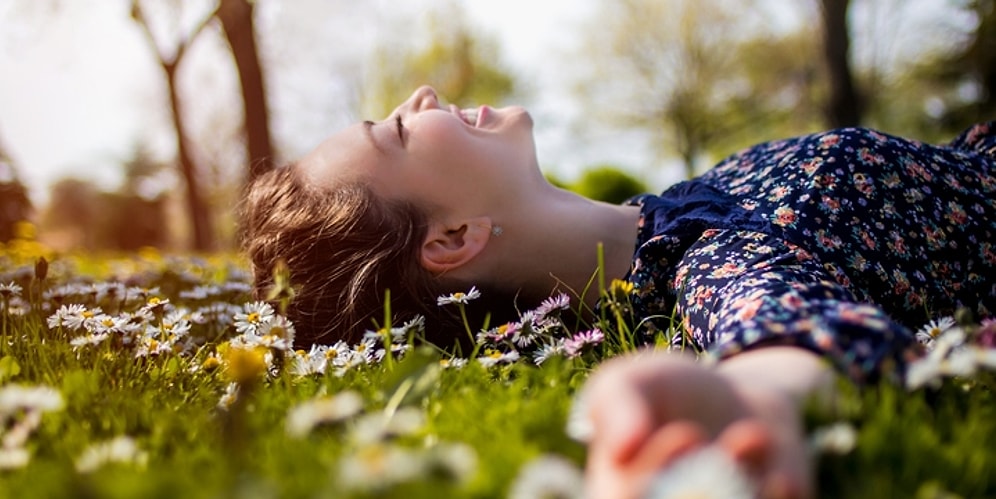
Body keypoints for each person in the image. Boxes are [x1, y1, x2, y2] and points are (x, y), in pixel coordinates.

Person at [241, 85, 996, 498]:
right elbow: (785, 334)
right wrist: (745, 406)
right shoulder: (706, 262)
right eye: (398, 134)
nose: (424, 94)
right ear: (451, 239)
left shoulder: (677, 209)